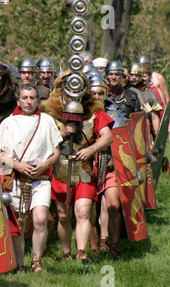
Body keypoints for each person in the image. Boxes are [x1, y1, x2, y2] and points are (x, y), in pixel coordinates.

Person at [40, 70, 114, 262]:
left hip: (84, 169)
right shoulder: (49, 113)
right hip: (59, 167)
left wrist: (92, 149)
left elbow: (108, 136)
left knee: (82, 211)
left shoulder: (94, 112)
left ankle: (81, 252)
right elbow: (41, 142)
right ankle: (66, 253)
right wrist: (62, 134)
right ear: (62, 88)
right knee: (63, 215)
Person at [0, 84, 62, 272]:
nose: (29, 101)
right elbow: (0, 154)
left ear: (37, 101)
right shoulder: (8, 123)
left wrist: (45, 164)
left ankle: (36, 261)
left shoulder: (47, 121)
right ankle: (19, 264)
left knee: (40, 219)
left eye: (32, 98)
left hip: (40, 179)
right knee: (19, 222)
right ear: (18, 101)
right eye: (25, 98)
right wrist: (17, 165)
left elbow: (56, 152)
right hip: (17, 179)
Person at [90, 76, 126, 259]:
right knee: (89, 209)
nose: (97, 97)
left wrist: (114, 158)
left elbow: (123, 140)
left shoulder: (115, 112)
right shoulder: (82, 112)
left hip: (110, 165)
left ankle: (112, 246)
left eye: (100, 93)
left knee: (112, 206)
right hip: (88, 166)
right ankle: (93, 244)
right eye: (93, 93)